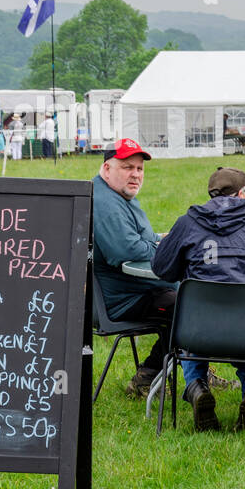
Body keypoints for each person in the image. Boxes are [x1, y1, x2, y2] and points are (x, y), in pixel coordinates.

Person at [152, 167, 245, 433]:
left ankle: (197, 388)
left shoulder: (188, 222)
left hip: (198, 332)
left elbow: (162, 268)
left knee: (188, 333)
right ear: (241, 193)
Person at [91, 139, 177, 397]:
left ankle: (198, 370)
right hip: (122, 301)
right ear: (107, 169)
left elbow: (143, 241)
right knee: (190, 305)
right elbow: (126, 251)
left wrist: (166, 241)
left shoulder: (119, 195)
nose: (136, 174)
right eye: (127, 167)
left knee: (194, 296)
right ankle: (147, 377)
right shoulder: (106, 203)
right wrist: (166, 252)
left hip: (139, 291)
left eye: (139, 169)